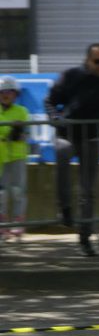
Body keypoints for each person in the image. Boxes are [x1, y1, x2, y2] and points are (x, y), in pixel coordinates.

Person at [44, 43, 99, 256]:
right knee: (63, 153)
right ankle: (65, 208)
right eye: (98, 62)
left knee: (88, 190)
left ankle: (85, 237)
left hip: (92, 137)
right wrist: (55, 118)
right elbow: (50, 101)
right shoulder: (71, 76)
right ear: (88, 61)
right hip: (67, 135)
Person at [0, 75, 30, 242]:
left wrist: (18, 132)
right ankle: (2, 224)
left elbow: (24, 134)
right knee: (1, 192)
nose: (6, 94)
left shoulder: (22, 111)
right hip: (0, 156)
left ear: (16, 94)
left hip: (17, 156)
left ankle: (18, 221)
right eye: (2, 91)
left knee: (18, 190)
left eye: (10, 91)